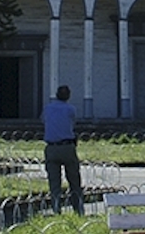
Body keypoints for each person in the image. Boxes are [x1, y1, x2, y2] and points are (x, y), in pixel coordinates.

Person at [41, 85, 83, 213]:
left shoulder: (47, 108)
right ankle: (78, 209)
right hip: (67, 146)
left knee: (54, 182)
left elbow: (43, 121)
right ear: (68, 96)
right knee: (74, 179)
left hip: (51, 147)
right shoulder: (71, 109)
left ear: (56, 94)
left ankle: (56, 208)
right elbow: (72, 123)